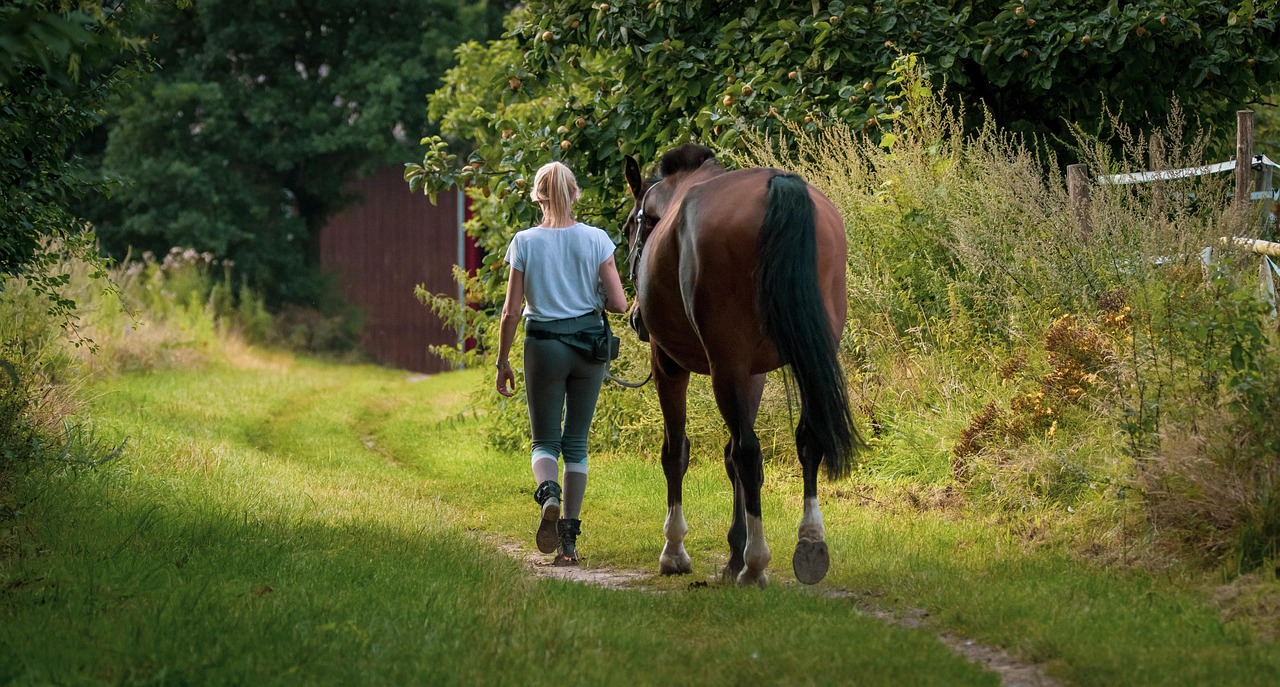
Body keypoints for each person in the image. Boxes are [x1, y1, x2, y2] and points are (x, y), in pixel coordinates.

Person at [495, 161, 627, 565]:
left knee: (544, 442)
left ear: (537, 196)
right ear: (574, 195)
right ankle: (568, 544)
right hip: (588, 348)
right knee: (577, 444)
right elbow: (620, 303)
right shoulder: (597, 239)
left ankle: (548, 493)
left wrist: (502, 362)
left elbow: (510, 311)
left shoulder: (524, 242)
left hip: (543, 347)